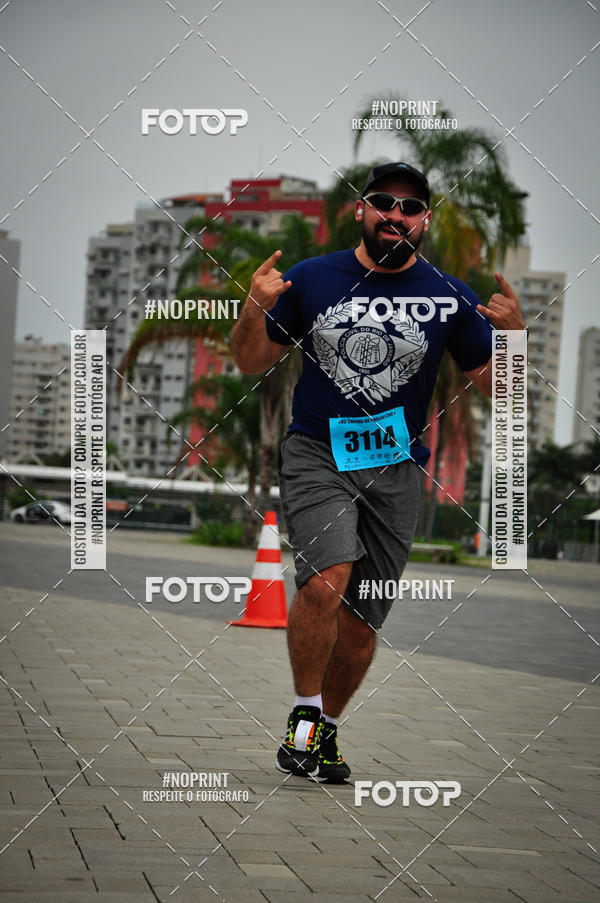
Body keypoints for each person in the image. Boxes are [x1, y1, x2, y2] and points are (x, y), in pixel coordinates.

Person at [231, 161, 524, 783]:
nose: (397, 214)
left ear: (424, 221)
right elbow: (250, 362)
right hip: (318, 452)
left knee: (363, 622)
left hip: (394, 470)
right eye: (383, 202)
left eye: (411, 207)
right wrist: (253, 309)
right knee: (324, 581)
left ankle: (326, 734)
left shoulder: (449, 294)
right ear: (362, 211)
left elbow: (503, 390)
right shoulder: (313, 279)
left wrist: (516, 340)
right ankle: (304, 720)